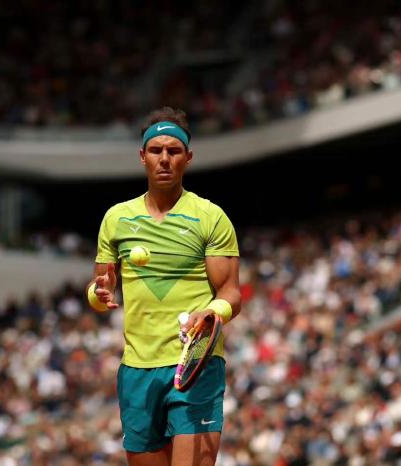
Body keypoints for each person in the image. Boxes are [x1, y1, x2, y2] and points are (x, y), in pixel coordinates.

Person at [86, 107, 241, 466]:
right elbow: (99, 291)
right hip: (137, 370)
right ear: (143, 156)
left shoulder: (210, 217)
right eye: (156, 150)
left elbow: (231, 292)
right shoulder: (116, 219)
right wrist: (99, 294)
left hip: (195, 365)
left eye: (174, 151)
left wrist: (211, 313)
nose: (165, 159)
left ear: (188, 157)